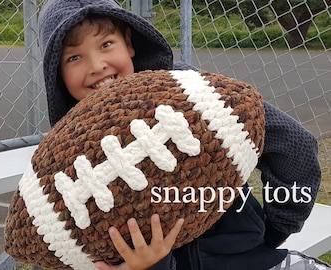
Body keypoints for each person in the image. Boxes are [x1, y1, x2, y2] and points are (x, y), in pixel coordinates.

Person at [38, 0, 329, 269]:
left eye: (106, 44)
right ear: (56, 73)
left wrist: (278, 225)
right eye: (74, 57)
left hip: (244, 256)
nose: (96, 65)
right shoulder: (69, 149)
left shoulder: (189, 91)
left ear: (129, 41)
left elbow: (293, 142)